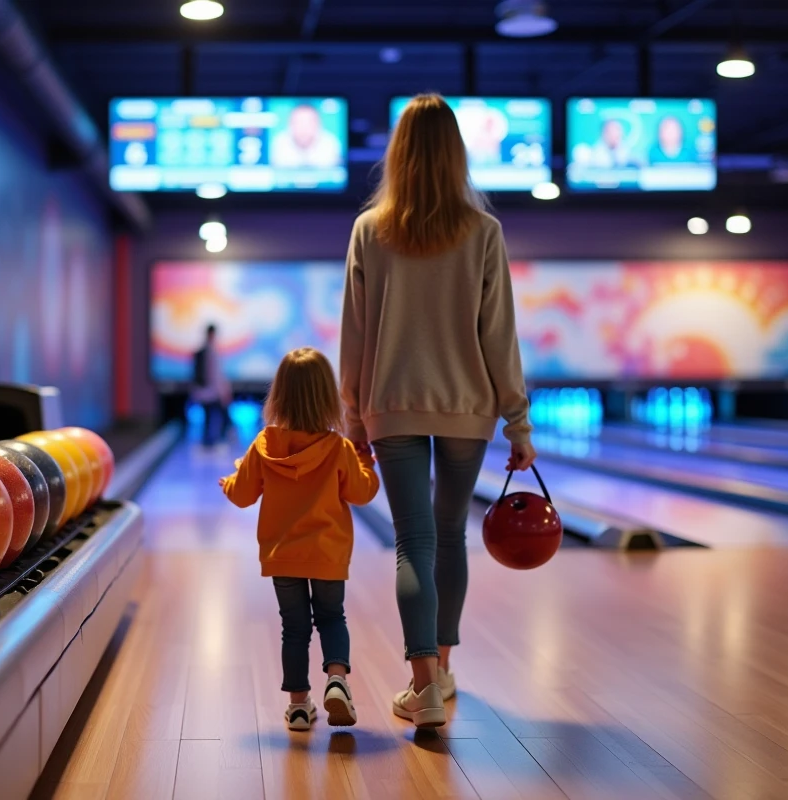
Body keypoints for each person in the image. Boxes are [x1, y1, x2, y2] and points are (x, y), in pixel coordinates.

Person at [339, 94, 536, 729]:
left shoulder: (371, 230)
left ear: (397, 155)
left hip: (390, 405)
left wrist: (352, 418)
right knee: (449, 537)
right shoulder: (484, 232)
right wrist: (517, 420)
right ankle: (442, 669)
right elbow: (498, 334)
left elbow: (355, 333)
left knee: (413, 543)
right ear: (457, 155)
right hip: (467, 407)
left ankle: (423, 683)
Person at [219, 347, 379, 731]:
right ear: (328, 396)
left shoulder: (263, 446)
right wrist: (367, 463)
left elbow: (241, 496)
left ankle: (299, 707)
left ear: (280, 394)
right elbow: (362, 492)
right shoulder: (339, 448)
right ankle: (337, 680)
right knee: (331, 617)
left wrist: (229, 481)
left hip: (283, 555)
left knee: (295, 627)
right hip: (327, 554)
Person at [269, 104, 344, 170]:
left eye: (308, 123)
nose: (303, 128)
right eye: (299, 122)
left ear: (318, 125)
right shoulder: (279, 143)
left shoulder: (330, 143)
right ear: (290, 125)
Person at [191, 324, 230, 447]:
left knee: (209, 417)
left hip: (205, 392)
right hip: (212, 392)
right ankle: (213, 440)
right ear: (212, 334)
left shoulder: (203, 351)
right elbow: (215, 376)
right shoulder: (211, 352)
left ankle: (209, 441)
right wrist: (223, 392)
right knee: (218, 417)